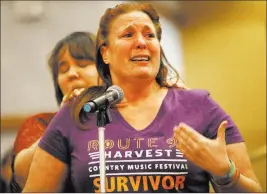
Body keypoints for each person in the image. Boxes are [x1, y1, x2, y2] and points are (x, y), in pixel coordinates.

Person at [22, 3, 262, 193]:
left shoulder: (199, 106)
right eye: (128, 35)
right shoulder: (79, 112)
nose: (141, 42)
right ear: (105, 52)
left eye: (150, 35)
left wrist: (225, 173)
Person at [10, 31, 100, 192]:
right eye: (63, 70)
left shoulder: (127, 119)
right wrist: (65, 118)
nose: (72, 74)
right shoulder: (40, 123)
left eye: (83, 65)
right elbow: (23, 174)